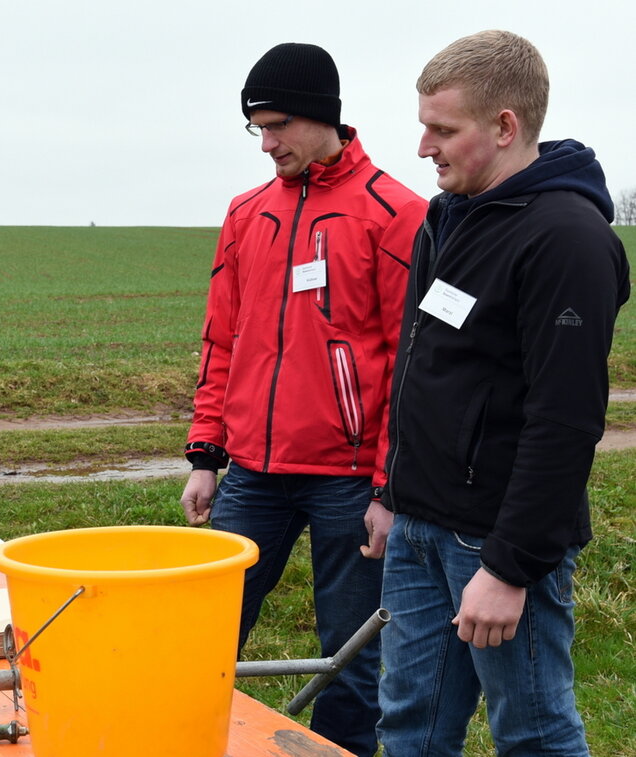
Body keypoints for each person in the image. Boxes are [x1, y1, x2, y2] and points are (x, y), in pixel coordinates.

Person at [377, 30, 630, 756]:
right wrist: (392, 494)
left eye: (442, 129)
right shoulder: (446, 217)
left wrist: (509, 567)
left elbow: (565, 421)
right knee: (411, 727)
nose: (423, 147)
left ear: (506, 126)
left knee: (533, 732)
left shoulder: (566, 239)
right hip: (419, 529)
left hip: (492, 541)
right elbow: (424, 369)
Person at [179, 42, 426, 756]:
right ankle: (184, 736)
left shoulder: (396, 213)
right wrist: (206, 453)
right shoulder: (246, 213)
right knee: (206, 630)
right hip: (252, 474)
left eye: (278, 125)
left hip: (349, 480)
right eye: (257, 128)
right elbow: (222, 340)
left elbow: (411, 367)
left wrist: (387, 486)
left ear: (323, 115)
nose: (267, 143)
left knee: (348, 654)